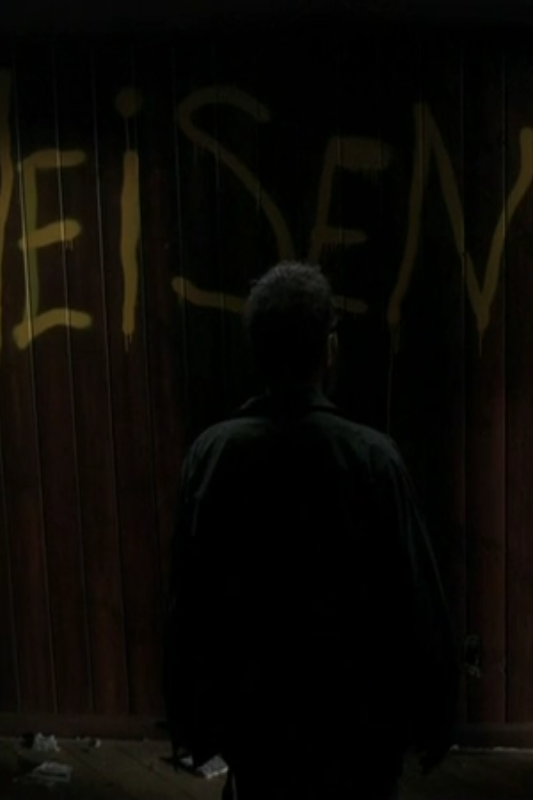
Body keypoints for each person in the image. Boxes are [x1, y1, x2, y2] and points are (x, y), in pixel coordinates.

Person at [163, 261, 460, 799]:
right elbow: (415, 599)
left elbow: (190, 599)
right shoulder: (373, 458)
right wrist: (435, 716)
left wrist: (193, 719)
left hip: (258, 728)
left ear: (257, 352)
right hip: (357, 728)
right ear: (329, 349)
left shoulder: (212, 455)